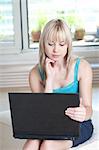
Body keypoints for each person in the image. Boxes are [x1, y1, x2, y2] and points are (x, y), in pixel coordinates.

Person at [23, 19, 93, 150]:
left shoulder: (82, 67)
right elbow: (43, 112)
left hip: (78, 124)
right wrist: (49, 80)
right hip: (49, 123)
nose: (55, 50)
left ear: (68, 45)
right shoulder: (35, 73)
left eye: (61, 44)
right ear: (43, 44)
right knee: (30, 145)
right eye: (50, 44)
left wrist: (83, 113)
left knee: (47, 146)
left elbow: (89, 109)